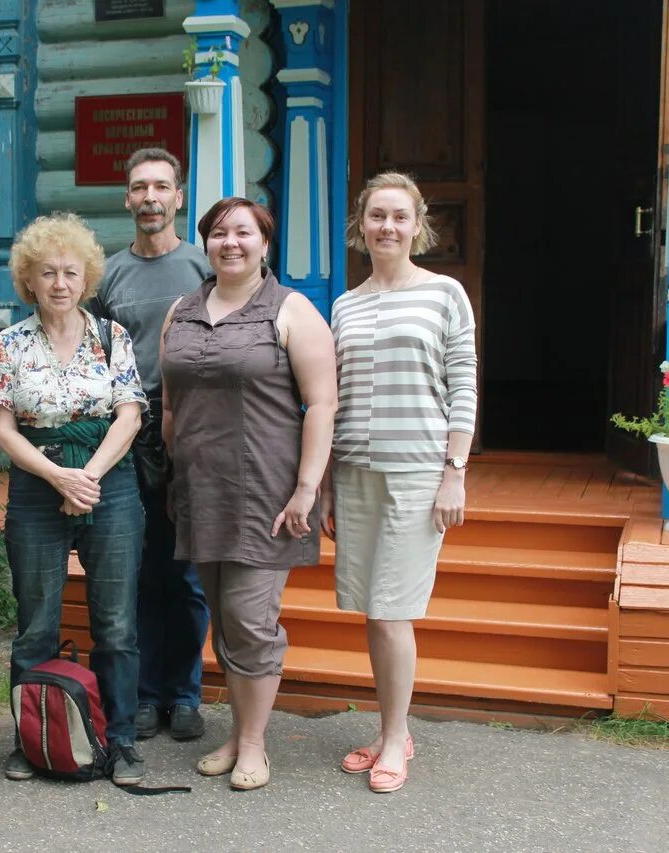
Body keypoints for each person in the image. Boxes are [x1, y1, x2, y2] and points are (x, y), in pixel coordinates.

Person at [161, 197, 337, 791]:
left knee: (250, 619)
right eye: (217, 233)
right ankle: (237, 734)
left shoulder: (291, 310)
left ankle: (255, 745)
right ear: (205, 243)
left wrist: (307, 488)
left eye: (243, 232)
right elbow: (169, 404)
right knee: (225, 621)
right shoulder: (181, 310)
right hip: (199, 489)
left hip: (266, 492)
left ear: (265, 243)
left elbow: (322, 405)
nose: (229, 242)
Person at [321, 172, 477, 794]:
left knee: (392, 611)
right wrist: (327, 482)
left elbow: (462, 383)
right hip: (356, 471)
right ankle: (395, 727)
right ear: (360, 225)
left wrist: (454, 472)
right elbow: (335, 398)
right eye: (376, 216)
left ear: (419, 225)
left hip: (417, 471)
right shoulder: (344, 304)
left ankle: (394, 740)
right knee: (371, 609)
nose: (387, 227)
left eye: (400, 216)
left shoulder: (445, 294)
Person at [0, 212, 150, 786]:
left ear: (87, 279)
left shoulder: (113, 338)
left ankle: (120, 738)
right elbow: (3, 428)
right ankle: (31, 739)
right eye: (47, 272)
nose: (59, 283)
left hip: (112, 482)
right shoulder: (8, 344)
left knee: (117, 621)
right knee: (36, 621)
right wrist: (59, 477)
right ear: (29, 280)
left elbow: (129, 414)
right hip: (36, 485)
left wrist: (90, 479)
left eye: (70, 273)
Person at [89, 147, 211, 742]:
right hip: (124, 428)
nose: (150, 198)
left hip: (191, 426)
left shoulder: (202, 269)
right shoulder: (109, 276)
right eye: (139, 188)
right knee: (133, 568)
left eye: (161, 187)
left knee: (185, 571)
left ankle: (183, 694)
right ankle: (138, 694)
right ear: (127, 199)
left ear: (179, 197)